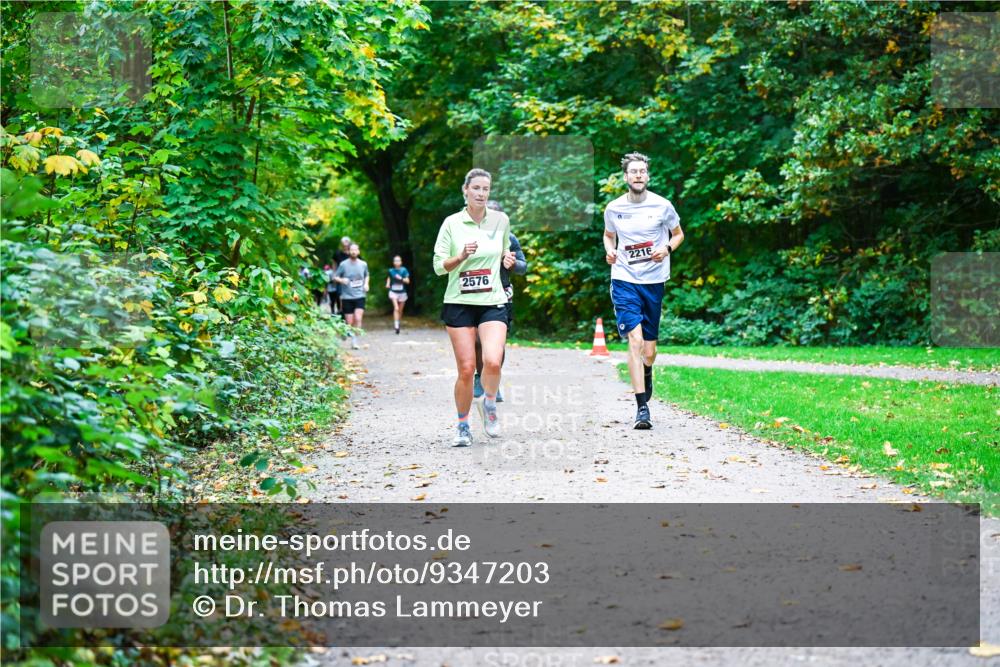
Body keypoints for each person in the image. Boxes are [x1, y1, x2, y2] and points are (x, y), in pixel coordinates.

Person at [603, 152, 685, 429]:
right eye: (633, 171)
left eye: (642, 171)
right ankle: (642, 408)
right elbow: (608, 234)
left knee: (649, 351)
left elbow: (678, 234)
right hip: (624, 278)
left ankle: (647, 370)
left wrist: (667, 248)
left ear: (647, 176)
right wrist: (610, 251)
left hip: (654, 281)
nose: (638, 175)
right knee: (634, 342)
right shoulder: (614, 208)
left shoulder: (662, 206)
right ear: (625, 177)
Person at [433, 168, 513, 447]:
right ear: (465, 190)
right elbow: (438, 266)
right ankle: (463, 426)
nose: (481, 193)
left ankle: (489, 403)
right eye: (476, 188)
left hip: (492, 300)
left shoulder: (501, 221)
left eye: (485, 189)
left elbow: (505, 251)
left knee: (492, 360)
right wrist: (460, 256)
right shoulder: (451, 223)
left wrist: (508, 260)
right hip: (459, 302)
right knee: (467, 369)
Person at [473, 200, 527, 404]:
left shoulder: (510, 239)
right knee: (478, 341)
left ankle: (493, 380)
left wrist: (512, 264)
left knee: (497, 344)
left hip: (502, 295)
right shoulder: (471, 237)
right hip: (476, 295)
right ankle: (480, 378)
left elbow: (523, 267)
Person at [334, 243, 369, 349]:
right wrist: (341, 280)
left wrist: (366, 284)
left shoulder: (363, 264)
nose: (353, 252)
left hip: (360, 295)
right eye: (351, 250)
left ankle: (355, 342)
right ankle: (347, 333)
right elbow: (335, 277)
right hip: (347, 297)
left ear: (358, 251)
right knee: (349, 322)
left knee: (358, 318)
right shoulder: (343, 264)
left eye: (355, 250)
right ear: (348, 252)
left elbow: (367, 275)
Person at [386, 255, 410, 334]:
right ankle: (396, 326)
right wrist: (388, 284)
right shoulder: (391, 270)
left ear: (401, 262)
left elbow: (408, 281)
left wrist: (401, 279)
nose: (397, 262)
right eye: (395, 261)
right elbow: (389, 277)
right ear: (393, 262)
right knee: (396, 308)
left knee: (400, 310)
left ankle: (398, 322)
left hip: (402, 292)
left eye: (398, 260)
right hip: (393, 292)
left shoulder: (404, 270)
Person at [333, 237, 352, 317]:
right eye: (344, 241)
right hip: (340, 278)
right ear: (341, 243)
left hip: (351, 278)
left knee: (350, 295)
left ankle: (349, 310)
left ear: (349, 243)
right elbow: (334, 264)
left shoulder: (353, 253)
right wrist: (334, 275)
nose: (345, 243)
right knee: (340, 295)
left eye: (347, 241)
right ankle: (341, 311)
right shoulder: (337, 253)